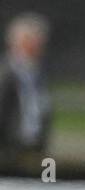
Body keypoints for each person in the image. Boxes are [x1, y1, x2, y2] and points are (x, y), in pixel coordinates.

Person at [0, 13, 52, 169]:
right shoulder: (5, 73)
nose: (40, 46)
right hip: (9, 148)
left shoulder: (36, 72)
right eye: (35, 41)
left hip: (32, 146)